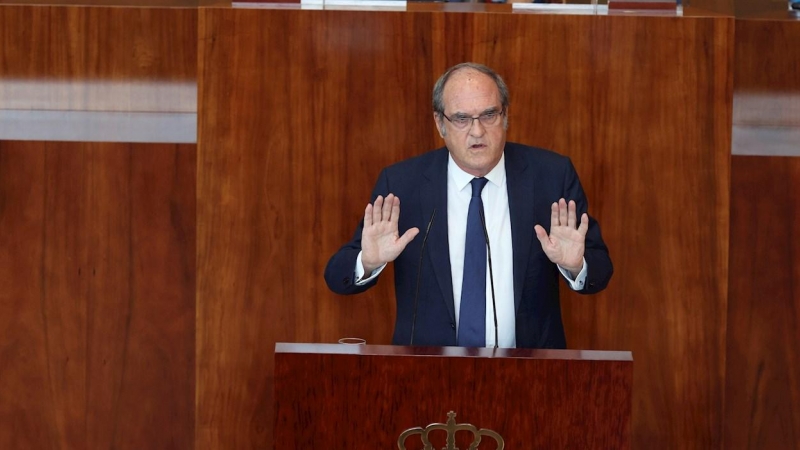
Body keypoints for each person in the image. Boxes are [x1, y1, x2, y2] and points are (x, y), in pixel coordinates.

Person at [324, 63, 612, 349]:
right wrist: (368, 262)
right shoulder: (402, 185)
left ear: (505, 115)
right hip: (427, 377)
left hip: (528, 377)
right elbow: (338, 278)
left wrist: (576, 266)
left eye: (488, 115)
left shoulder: (550, 176)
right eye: (461, 118)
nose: (477, 131)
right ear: (440, 124)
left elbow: (600, 270)